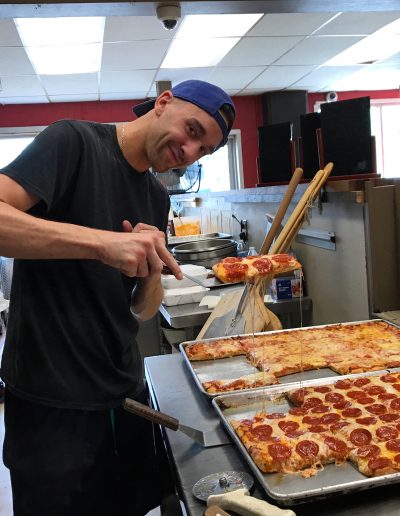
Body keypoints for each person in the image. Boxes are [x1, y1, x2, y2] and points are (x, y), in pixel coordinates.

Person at [0, 80, 236, 516]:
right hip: (51, 401)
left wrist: (150, 274)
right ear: (163, 102)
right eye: (192, 130)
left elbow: (143, 309)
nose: (189, 151)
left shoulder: (156, 196)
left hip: (125, 393)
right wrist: (101, 243)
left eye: (203, 150)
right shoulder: (73, 143)